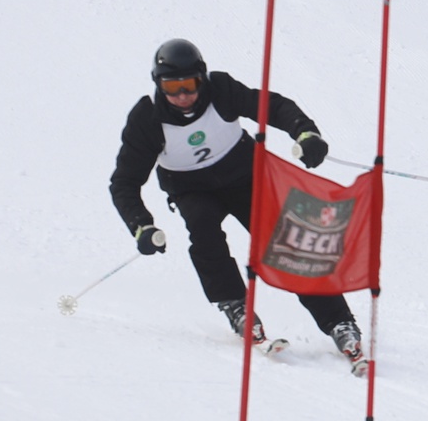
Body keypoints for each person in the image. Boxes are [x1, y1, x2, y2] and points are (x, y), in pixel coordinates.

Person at [110, 38, 365, 374]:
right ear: (158, 84)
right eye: (171, 87)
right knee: (203, 230)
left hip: (245, 180)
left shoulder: (222, 90)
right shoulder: (147, 120)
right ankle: (235, 305)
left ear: (202, 78)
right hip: (192, 189)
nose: (182, 96)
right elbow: (125, 183)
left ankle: (339, 322)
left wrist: (305, 133)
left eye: (189, 85)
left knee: (288, 243)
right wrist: (141, 225)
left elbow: (273, 106)